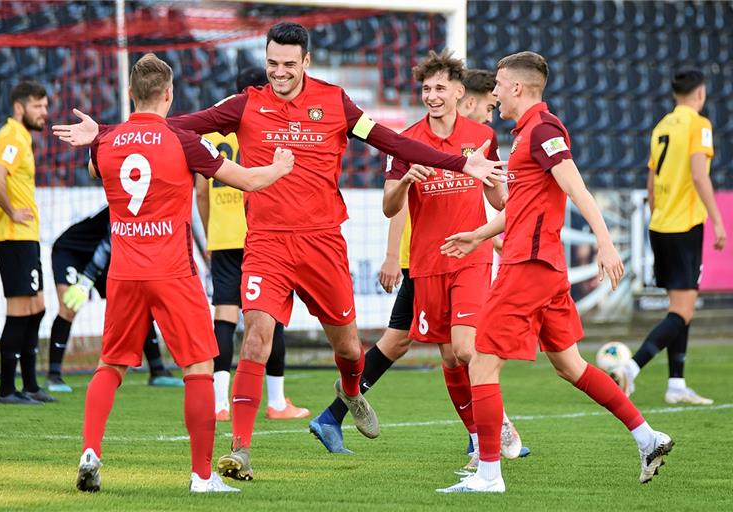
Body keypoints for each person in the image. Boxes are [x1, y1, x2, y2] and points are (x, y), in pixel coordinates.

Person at [52, 22, 506, 482]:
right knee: (255, 336)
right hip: (266, 242)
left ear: (306, 62)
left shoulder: (336, 102)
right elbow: (170, 127)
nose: (279, 72)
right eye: (272, 63)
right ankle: (241, 451)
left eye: (289, 64)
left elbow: (392, 141)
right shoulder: (246, 103)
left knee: (349, 348)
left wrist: (458, 160)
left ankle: (351, 391)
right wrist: (105, 132)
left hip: (323, 241)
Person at [437, 51, 673, 493]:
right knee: (570, 365)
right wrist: (477, 234)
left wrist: (605, 241)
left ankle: (489, 475)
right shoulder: (524, 133)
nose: (495, 93)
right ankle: (647, 437)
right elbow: (523, 208)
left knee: (482, 366)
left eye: (500, 86)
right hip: (543, 268)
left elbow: (574, 183)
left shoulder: (544, 128)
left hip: (528, 267)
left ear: (518, 89)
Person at [72, 53, 293, 494]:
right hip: (172, 272)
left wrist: (99, 134)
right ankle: (202, 477)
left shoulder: (108, 143)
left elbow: (95, 165)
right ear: (170, 94)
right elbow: (247, 180)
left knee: (110, 364)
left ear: (131, 94)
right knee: (199, 367)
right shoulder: (183, 140)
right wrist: (280, 167)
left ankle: (91, 450)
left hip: (124, 273)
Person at [309, 63, 525, 465]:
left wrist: (499, 192)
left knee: (463, 347)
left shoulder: (482, 137)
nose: (432, 96)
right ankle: (480, 440)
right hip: (427, 264)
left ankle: (493, 428)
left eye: (440, 88)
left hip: (470, 259)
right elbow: (390, 205)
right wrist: (407, 180)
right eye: (426, 89)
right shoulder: (405, 141)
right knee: (446, 357)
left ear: (460, 92)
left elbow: (497, 200)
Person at [196, 67, 309, 421]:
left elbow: (200, 190)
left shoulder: (212, 128)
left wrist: (210, 231)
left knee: (225, 315)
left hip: (223, 233)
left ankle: (218, 403)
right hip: (263, 230)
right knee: (271, 314)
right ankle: (276, 402)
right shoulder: (265, 119)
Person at [612, 67, 726, 404]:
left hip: (660, 223)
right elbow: (699, 175)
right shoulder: (699, 124)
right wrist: (718, 221)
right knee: (683, 312)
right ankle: (631, 368)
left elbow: (651, 180)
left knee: (679, 307)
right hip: (685, 225)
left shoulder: (662, 125)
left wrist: (658, 213)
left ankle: (676, 384)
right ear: (701, 93)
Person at [47, 206, 184, 392]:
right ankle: (53, 376)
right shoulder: (128, 205)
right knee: (69, 307)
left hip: (104, 256)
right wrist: (86, 282)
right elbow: (106, 244)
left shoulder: (158, 208)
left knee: (139, 303)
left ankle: (158, 371)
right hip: (71, 252)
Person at [0, 80, 55, 405]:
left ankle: (29, 384)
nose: (45, 112)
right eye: (38, 106)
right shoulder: (11, 135)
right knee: (20, 309)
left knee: (37, 307)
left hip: (26, 238)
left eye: (45, 106)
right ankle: (5, 389)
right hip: (13, 238)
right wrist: (12, 211)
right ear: (19, 107)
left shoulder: (21, 137)